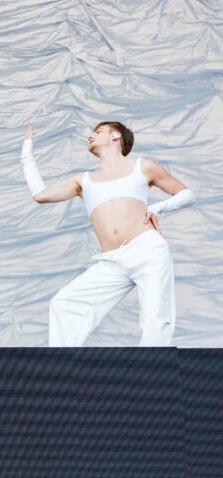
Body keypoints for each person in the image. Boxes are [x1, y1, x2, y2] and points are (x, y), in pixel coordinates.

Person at [21, 121, 195, 346]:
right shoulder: (82, 180)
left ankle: (152, 367)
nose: (90, 136)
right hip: (113, 260)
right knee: (65, 304)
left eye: (98, 131)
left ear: (115, 136)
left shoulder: (142, 167)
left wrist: (156, 208)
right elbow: (40, 195)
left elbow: (186, 194)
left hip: (146, 250)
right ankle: (63, 365)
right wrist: (27, 150)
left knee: (156, 318)